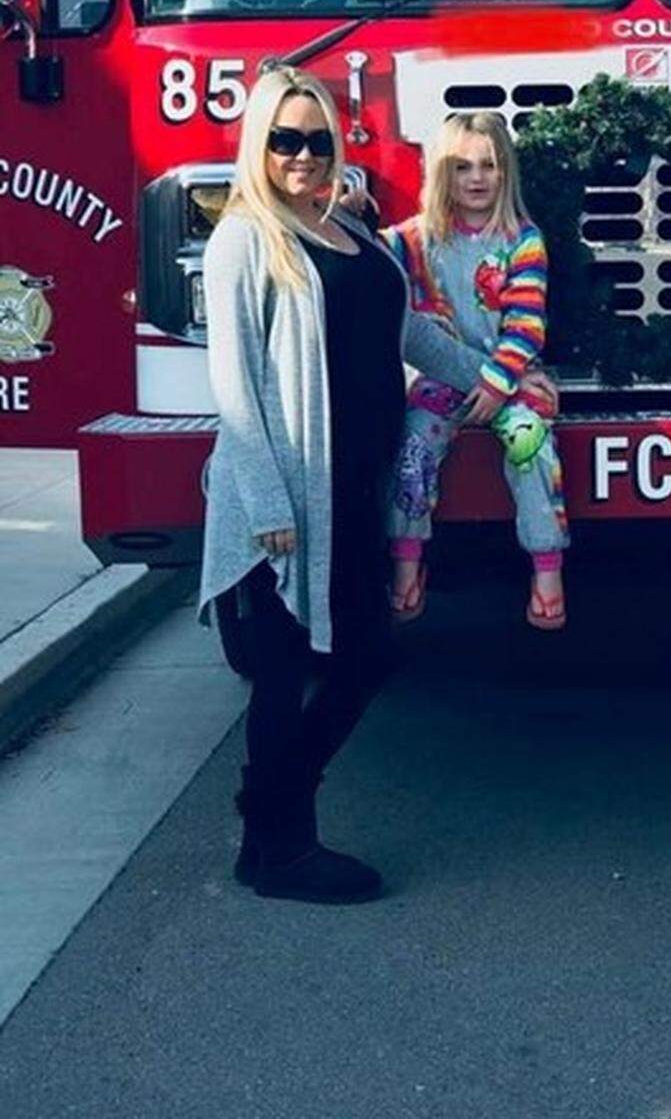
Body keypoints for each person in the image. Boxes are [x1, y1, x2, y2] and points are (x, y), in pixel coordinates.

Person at [198, 68, 489, 904]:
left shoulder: (345, 231)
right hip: (285, 506)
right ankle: (286, 847)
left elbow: (410, 331)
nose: (301, 155)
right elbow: (236, 386)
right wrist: (265, 507)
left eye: (317, 139)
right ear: (259, 143)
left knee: (367, 656)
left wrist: (500, 377)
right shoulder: (246, 240)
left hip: (355, 491)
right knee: (285, 673)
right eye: (284, 139)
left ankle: (266, 822)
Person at [384, 111, 570, 630]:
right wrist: (352, 209)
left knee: (532, 446)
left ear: (505, 171)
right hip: (441, 384)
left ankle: (546, 566)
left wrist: (496, 382)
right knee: (415, 445)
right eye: (461, 166)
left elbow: (526, 324)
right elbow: (366, 254)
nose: (476, 178)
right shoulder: (415, 239)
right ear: (441, 174)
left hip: (509, 385)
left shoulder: (522, 240)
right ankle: (406, 560)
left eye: (489, 165)